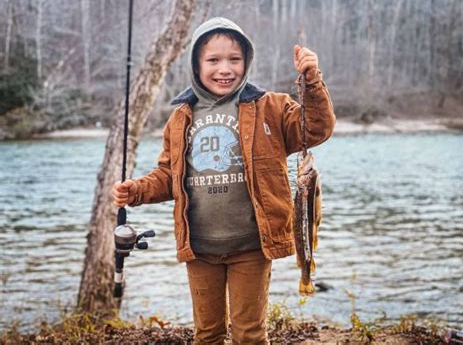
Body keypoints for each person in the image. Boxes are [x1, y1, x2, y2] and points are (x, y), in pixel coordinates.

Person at [112, 17, 335, 344]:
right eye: (213, 60)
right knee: (207, 333)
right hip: (200, 249)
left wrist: (311, 79)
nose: (224, 69)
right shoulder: (180, 118)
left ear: (247, 61)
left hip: (251, 246)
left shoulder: (270, 107)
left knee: (250, 334)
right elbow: (168, 177)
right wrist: (136, 191)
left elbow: (316, 128)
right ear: (196, 64)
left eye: (234, 59)